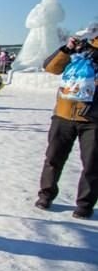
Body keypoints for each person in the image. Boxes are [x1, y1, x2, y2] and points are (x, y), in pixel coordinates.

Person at [35, 31, 98, 219]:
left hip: (93, 120)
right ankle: (46, 195)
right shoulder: (80, 49)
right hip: (63, 114)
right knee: (53, 157)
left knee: (92, 164)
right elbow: (50, 67)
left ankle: (85, 204)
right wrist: (67, 48)